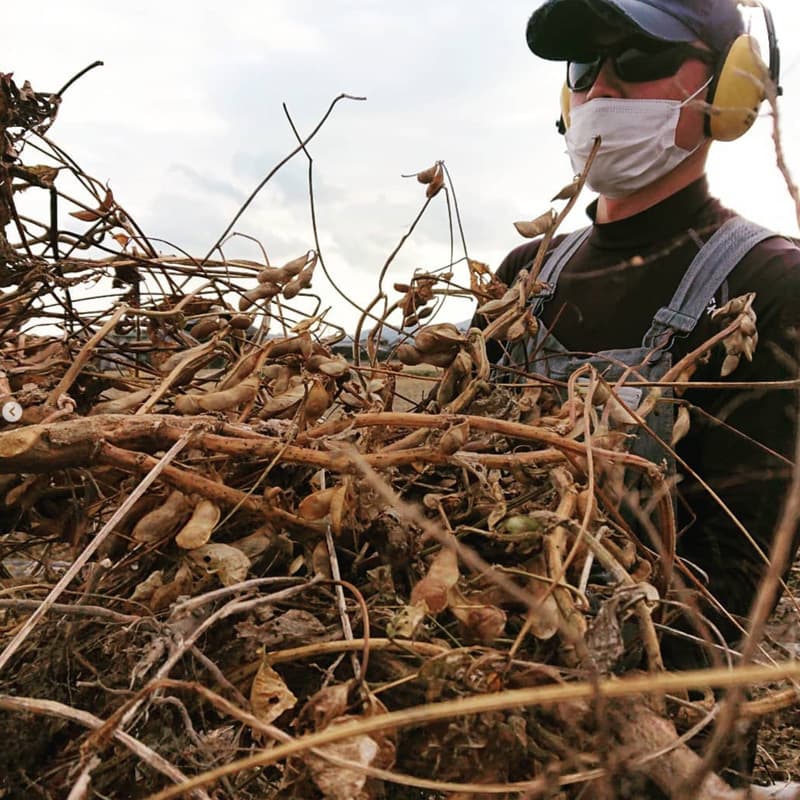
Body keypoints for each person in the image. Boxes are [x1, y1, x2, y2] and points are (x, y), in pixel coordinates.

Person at [483, 0, 800, 787]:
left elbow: (735, 572)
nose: (602, 88)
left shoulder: (770, 286)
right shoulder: (526, 276)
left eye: (637, 57)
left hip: (660, 720)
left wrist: (590, 690)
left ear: (727, 91)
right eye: (583, 66)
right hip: (488, 673)